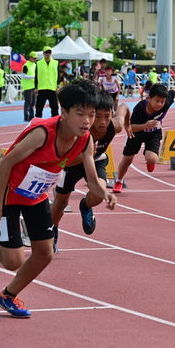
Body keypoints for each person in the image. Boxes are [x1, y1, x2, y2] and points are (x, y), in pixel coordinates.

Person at [0, 79, 116, 318]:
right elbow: (6, 163)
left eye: (91, 114)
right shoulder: (42, 133)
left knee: (45, 252)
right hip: (9, 192)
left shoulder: (86, 140)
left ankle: (8, 294)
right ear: (64, 112)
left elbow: (91, 176)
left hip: (35, 194)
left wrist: (104, 193)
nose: (87, 121)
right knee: (13, 261)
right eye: (80, 114)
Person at [51, 91, 128, 252]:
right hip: (70, 164)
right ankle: (52, 232)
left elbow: (124, 107)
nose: (102, 122)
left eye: (107, 116)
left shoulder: (114, 126)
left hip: (97, 160)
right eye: (97, 116)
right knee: (61, 203)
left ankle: (85, 205)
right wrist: (84, 156)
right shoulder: (80, 131)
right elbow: (64, 159)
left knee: (99, 192)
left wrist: (128, 124)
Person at [113, 84, 175, 192]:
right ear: (149, 98)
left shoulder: (166, 102)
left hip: (154, 133)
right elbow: (131, 128)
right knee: (127, 159)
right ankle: (119, 181)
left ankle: (149, 159)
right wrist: (145, 126)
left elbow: (174, 90)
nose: (159, 104)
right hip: (136, 133)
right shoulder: (139, 108)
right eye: (157, 101)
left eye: (162, 102)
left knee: (152, 158)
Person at [35, 46, 59, 118]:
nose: (48, 54)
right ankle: (37, 123)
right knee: (39, 108)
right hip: (42, 88)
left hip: (52, 88)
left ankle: (55, 122)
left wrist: (57, 86)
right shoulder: (38, 63)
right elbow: (36, 76)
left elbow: (58, 75)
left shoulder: (56, 63)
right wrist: (35, 87)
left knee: (55, 108)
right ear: (43, 53)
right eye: (46, 52)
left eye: (49, 52)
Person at [21, 52, 38, 122]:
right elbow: (23, 75)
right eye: (34, 58)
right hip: (27, 86)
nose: (35, 59)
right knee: (28, 102)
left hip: (33, 86)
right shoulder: (26, 65)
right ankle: (26, 117)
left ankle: (31, 116)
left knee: (33, 102)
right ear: (30, 57)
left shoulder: (35, 65)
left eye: (35, 58)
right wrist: (32, 77)